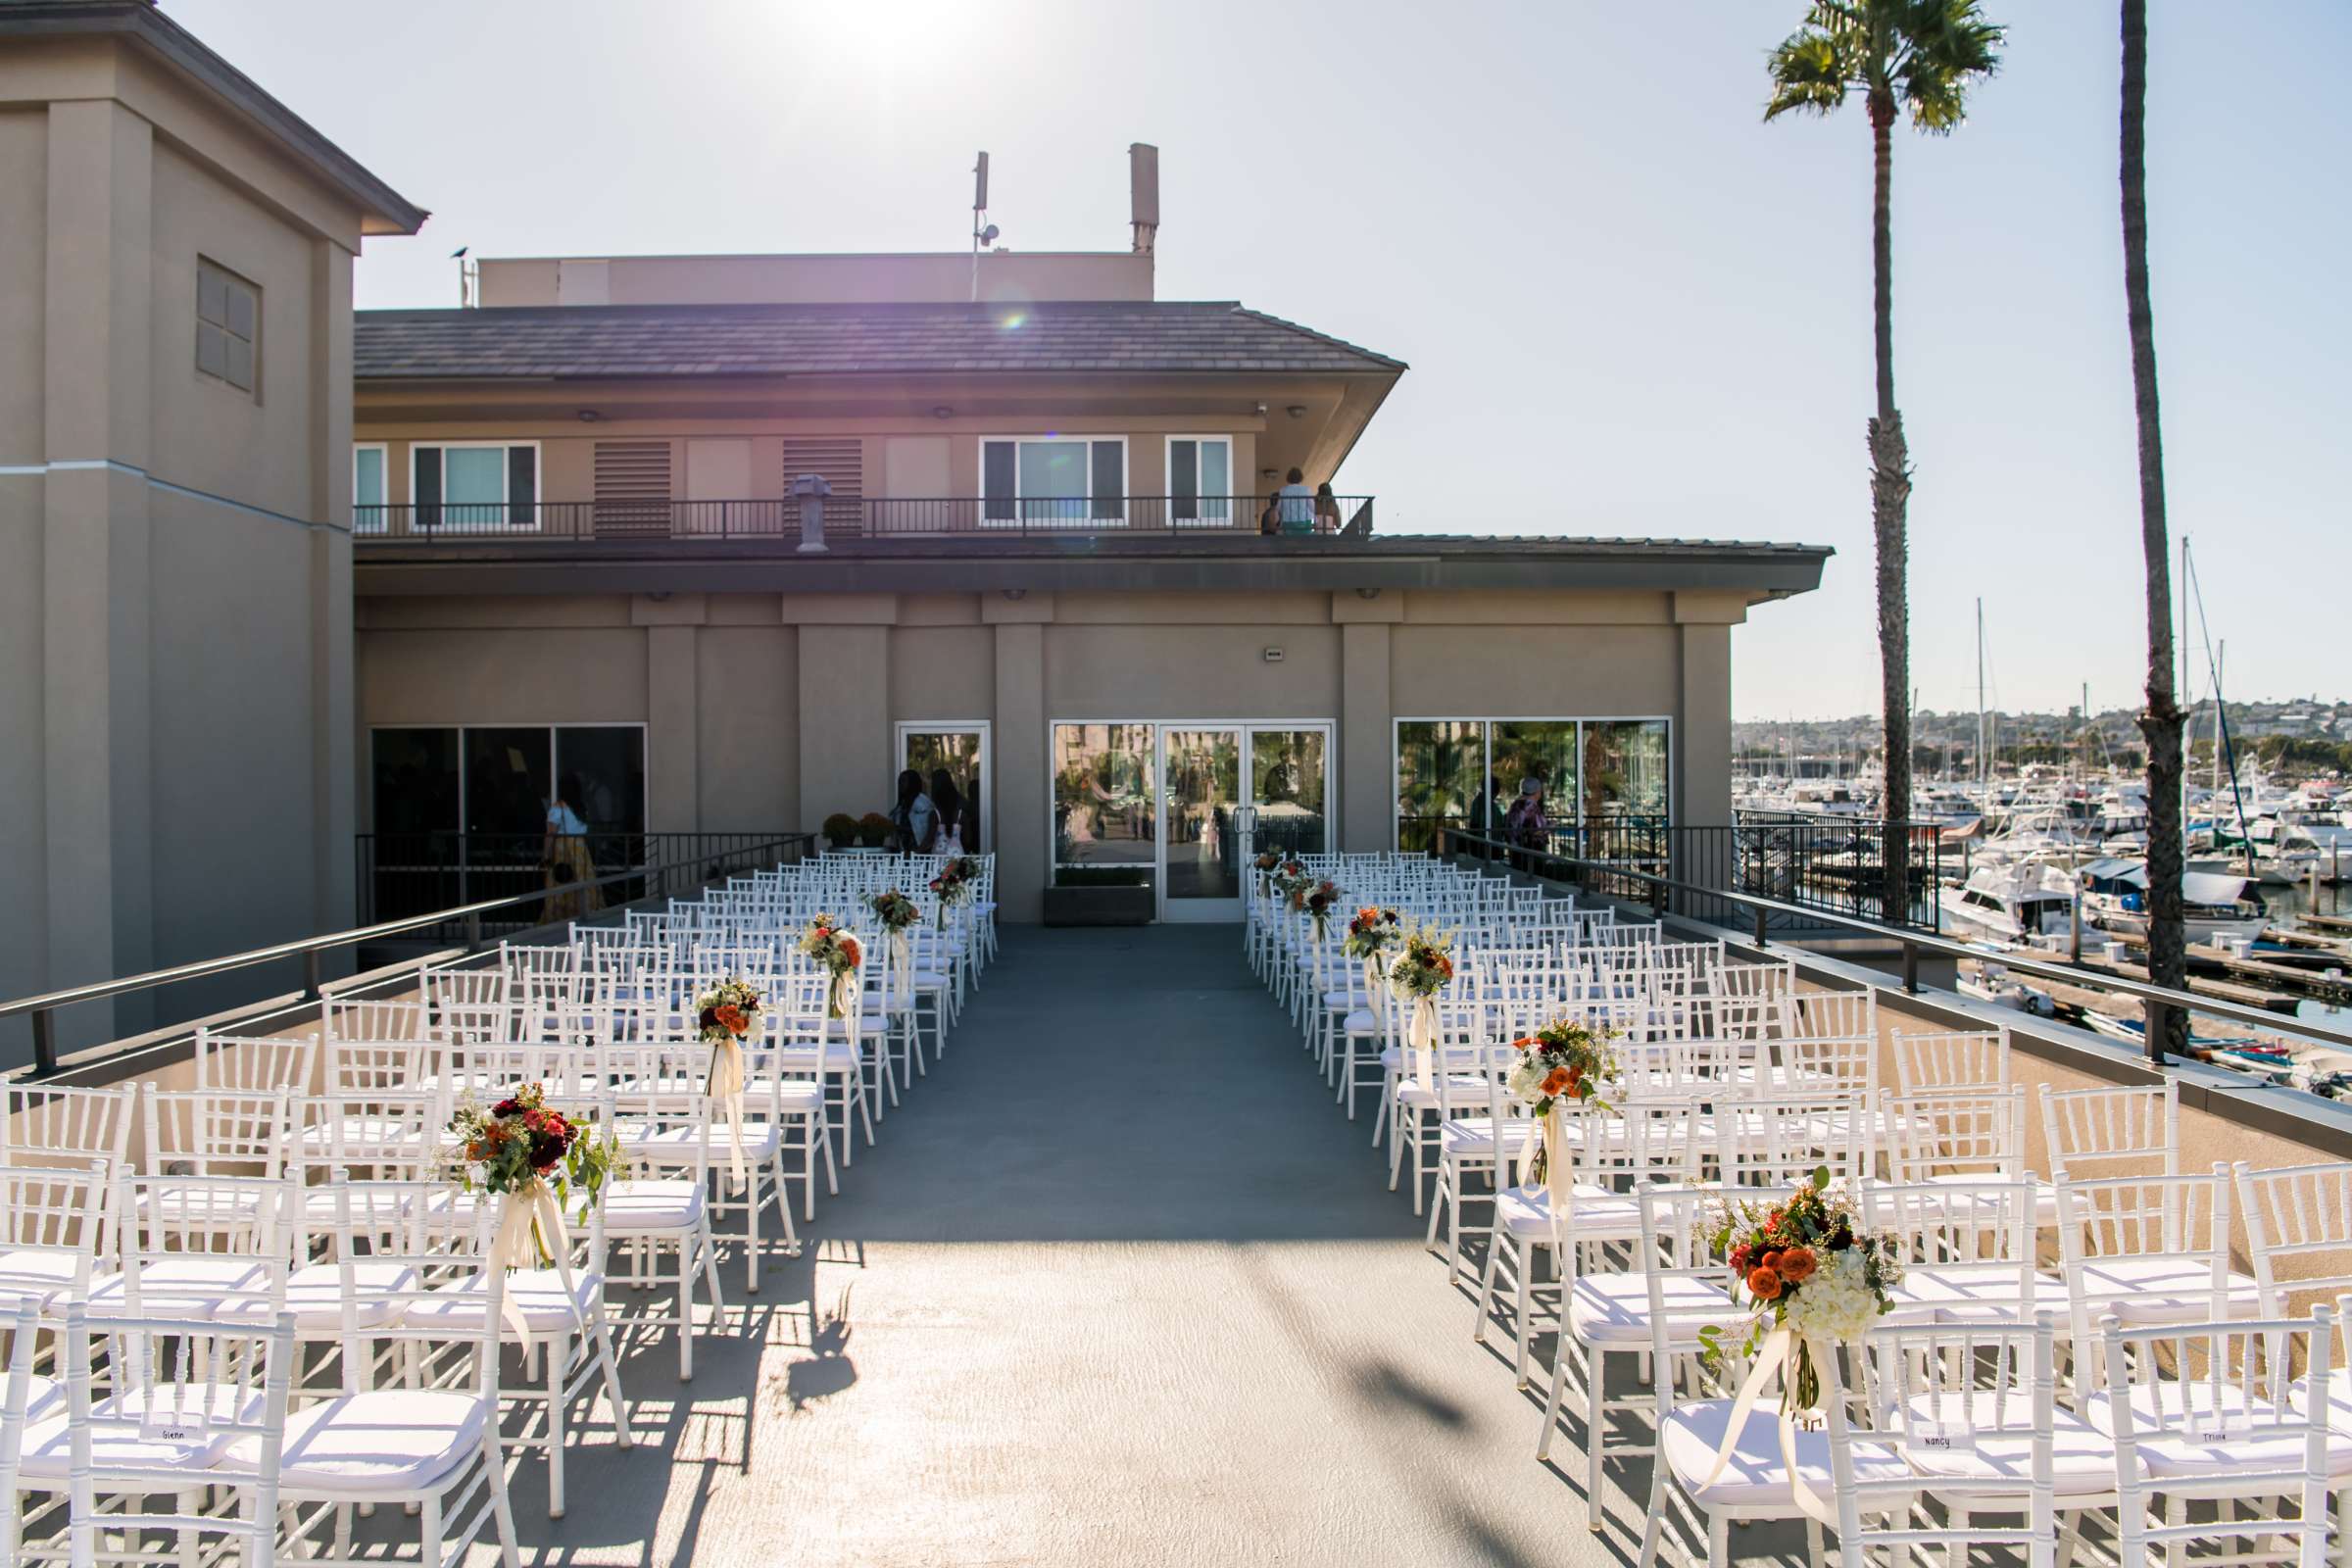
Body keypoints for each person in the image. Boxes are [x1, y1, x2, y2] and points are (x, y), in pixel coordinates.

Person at [540, 772, 604, 921]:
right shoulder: (581, 807)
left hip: (563, 848)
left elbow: (550, 834)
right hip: (580, 848)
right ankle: (586, 912)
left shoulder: (558, 808)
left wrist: (545, 856)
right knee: (582, 881)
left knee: (561, 882)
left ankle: (558, 916)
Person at [891, 768, 938, 854]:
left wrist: (900, 828)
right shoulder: (901, 805)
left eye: (903, 781)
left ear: (912, 783)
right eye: (899, 781)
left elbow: (928, 831)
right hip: (904, 851)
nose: (900, 784)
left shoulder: (924, 804)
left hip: (921, 851)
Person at [1503, 777, 1549, 853]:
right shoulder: (1531, 806)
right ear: (1537, 792)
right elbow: (1538, 830)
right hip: (1529, 851)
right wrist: (1550, 826)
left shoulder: (1515, 804)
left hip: (1514, 849)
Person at [929, 767, 966, 856]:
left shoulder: (935, 814)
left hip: (938, 858)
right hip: (957, 857)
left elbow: (929, 837)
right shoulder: (961, 812)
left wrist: (915, 852)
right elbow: (967, 839)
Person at [1275, 467, 1315, 535]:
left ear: (1289, 477)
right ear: (1300, 477)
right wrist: (1317, 518)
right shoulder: (1306, 489)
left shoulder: (1283, 490)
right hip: (1304, 522)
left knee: (1289, 543)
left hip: (1288, 522)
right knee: (1306, 543)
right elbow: (1312, 507)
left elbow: (1278, 507)